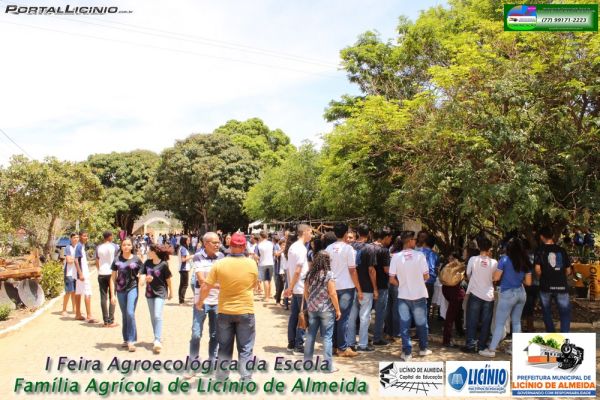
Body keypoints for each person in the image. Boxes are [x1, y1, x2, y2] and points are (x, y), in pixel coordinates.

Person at [198, 232, 258, 381]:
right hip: (245, 310)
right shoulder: (251, 263)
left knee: (224, 346)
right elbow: (254, 284)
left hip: (225, 310)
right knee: (245, 347)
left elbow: (206, 286)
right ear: (244, 246)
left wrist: (200, 302)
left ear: (230, 246)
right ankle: (245, 379)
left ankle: (222, 377)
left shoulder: (220, 263)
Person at [480, 238, 532, 357]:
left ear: (509, 248)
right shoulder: (525, 261)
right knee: (517, 322)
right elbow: (528, 283)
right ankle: (515, 349)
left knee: (499, 323)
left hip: (507, 294)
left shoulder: (504, 259)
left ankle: (491, 350)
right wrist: (519, 279)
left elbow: (496, 278)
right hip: (521, 293)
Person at [389, 231, 432, 361]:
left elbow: (391, 279)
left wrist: (402, 284)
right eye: (414, 239)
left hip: (403, 295)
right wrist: (417, 282)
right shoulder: (420, 256)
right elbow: (426, 276)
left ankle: (407, 352)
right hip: (419, 294)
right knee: (421, 323)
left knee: (404, 324)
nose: (416, 241)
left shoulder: (395, 257)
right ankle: (423, 348)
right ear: (409, 241)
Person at [325, 223, 360, 358]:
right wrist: (359, 288)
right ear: (346, 233)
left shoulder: (328, 248)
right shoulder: (348, 249)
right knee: (343, 318)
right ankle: (343, 347)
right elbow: (352, 270)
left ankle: (334, 346)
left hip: (332, 286)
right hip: (346, 287)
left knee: (334, 317)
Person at [303, 251, 341, 373]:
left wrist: (310, 303)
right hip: (326, 309)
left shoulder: (310, 274)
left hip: (312, 309)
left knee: (310, 335)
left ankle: (307, 364)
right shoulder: (329, 275)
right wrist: (338, 309)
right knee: (327, 338)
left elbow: (305, 292)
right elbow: (333, 293)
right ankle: (328, 366)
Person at [190, 232, 224, 363]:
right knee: (196, 334)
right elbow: (201, 280)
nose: (217, 245)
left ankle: (212, 361)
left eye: (218, 242)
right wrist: (219, 285)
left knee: (215, 334)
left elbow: (222, 278)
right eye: (214, 242)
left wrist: (215, 285)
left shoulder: (221, 256)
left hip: (217, 301)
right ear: (205, 243)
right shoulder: (198, 257)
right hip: (201, 301)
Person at [463, 237, 497, 353]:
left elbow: (467, 274)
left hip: (475, 293)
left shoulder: (473, 259)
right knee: (486, 322)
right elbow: (494, 278)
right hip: (489, 295)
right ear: (489, 249)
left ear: (479, 247)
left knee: (472, 320)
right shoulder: (494, 262)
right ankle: (482, 346)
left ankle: (470, 345)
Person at [535, 226, 572, 333]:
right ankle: (565, 337)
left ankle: (552, 336)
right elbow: (568, 271)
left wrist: (544, 276)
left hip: (545, 286)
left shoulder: (539, 250)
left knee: (546, 312)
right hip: (561, 286)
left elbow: (537, 270)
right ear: (553, 236)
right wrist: (559, 276)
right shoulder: (562, 250)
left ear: (542, 237)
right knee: (565, 313)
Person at [110, 237, 143, 352]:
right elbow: (113, 277)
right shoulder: (116, 260)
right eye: (124, 244)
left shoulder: (136, 259)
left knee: (130, 313)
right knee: (125, 314)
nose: (126, 246)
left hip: (132, 288)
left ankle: (132, 341)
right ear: (121, 246)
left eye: (128, 245)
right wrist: (112, 295)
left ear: (132, 246)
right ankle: (126, 338)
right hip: (120, 290)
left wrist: (141, 277)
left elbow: (143, 271)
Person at [348, 224, 377, 352]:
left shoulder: (349, 247)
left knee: (351, 316)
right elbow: (371, 270)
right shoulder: (370, 249)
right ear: (369, 233)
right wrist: (375, 288)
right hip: (366, 287)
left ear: (358, 233)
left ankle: (350, 342)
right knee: (365, 316)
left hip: (351, 285)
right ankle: (363, 344)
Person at [284, 224, 312, 354]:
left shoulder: (293, 247)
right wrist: (290, 287)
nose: (311, 235)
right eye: (310, 232)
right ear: (305, 232)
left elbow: (291, 269)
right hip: (300, 287)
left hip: (296, 287)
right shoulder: (301, 248)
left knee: (294, 316)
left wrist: (290, 286)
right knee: (302, 316)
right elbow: (297, 270)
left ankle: (291, 343)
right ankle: (299, 345)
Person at [140, 244, 173, 353]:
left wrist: (171, 292)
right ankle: (156, 337)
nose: (148, 252)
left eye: (149, 250)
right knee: (153, 317)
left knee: (157, 315)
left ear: (154, 252)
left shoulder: (163, 264)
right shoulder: (147, 263)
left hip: (160, 292)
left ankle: (157, 340)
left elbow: (168, 279)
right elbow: (142, 278)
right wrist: (145, 279)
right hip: (149, 293)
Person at [372, 227, 392, 346]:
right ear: (386, 237)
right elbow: (386, 269)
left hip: (369, 285)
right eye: (390, 238)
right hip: (381, 285)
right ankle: (377, 338)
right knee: (380, 312)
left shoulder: (369, 247)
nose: (390, 241)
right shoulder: (384, 250)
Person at [441, 253, 465, 348]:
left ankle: (460, 331)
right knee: (451, 315)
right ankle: (446, 340)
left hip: (446, 290)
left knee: (457, 312)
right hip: (456, 293)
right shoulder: (458, 267)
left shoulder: (445, 266)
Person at [415, 231, 439, 320]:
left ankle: (418, 326)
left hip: (419, 281)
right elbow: (436, 270)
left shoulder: (417, 252)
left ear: (425, 242)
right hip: (430, 282)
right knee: (427, 304)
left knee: (417, 305)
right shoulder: (435, 255)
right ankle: (425, 326)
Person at [96, 231, 118, 327]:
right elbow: (117, 260)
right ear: (109, 237)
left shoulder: (98, 247)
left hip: (101, 273)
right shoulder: (115, 247)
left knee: (103, 297)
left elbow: (97, 261)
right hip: (111, 273)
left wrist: (99, 269)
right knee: (112, 295)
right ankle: (111, 320)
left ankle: (105, 321)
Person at [74, 231, 96, 323]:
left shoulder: (81, 246)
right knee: (88, 293)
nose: (86, 237)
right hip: (82, 274)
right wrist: (80, 273)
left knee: (78, 292)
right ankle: (89, 315)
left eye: (87, 236)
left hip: (81, 274)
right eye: (84, 236)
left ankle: (78, 314)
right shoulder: (79, 246)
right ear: (80, 236)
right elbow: (76, 260)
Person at [61, 233, 79, 317]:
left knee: (75, 292)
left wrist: (74, 259)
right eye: (74, 237)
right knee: (68, 291)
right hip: (69, 273)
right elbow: (69, 260)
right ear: (71, 239)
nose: (76, 239)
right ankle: (64, 309)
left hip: (76, 273)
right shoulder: (68, 248)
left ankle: (74, 309)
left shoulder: (79, 247)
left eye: (77, 237)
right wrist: (75, 259)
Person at [256, 230, 275, 302]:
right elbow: (273, 253)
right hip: (271, 263)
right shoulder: (271, 243)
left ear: (260, 236)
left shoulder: (259, 245)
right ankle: (269, 294)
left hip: (263, 263)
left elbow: (257, 256)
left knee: (265, 280)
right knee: (269, 280)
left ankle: (266, 297)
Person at [178, 236, 194, 305]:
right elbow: (183, 259)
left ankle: (181, 300)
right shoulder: (183, 249)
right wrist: (191, 256)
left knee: (182, 285)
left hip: (182, 268)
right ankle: (181, 301)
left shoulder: (182, 248)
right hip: (183, 268)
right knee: (185, 285)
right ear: (184, 241)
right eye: (188, 240)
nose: (189, 241)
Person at [273, 238, 286, 305]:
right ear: (280, 245)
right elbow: (276, 254)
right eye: (283, 245)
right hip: (280, 271)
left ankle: (285, 301)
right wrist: (282, 250)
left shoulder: (288, 252)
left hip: (286, 271)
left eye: (285, 244)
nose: (284, 246)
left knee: (286, 287)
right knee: (279, 287)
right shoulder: (279, 251)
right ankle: (278, 301)